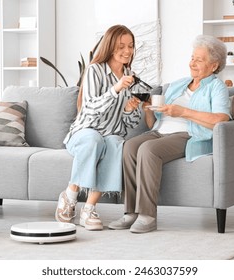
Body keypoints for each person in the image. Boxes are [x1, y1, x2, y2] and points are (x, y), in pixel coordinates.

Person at [109, 34, 231, 233]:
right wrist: (147, 108)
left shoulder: (217, 88)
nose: (192, 63)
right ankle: (130, 212)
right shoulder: (178, 84)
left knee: (148, 150)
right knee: (129, 146)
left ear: (214, 65)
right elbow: (154, 122)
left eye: (199, 60)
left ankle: (147, 216)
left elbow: (221, 119)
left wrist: (182, 112)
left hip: (189, 134)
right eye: (192, 58)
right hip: (160, 131)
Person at [55, 25, 142, 231]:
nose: (127, 51)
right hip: (85, 132)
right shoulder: (95, 70)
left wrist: (130, 110)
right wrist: (116, 88)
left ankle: (89, 209)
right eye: (121, 46)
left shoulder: (131, 75)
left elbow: (131, 123)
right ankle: (70, 195)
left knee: (115, 143)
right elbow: (92, 107)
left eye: (130, 46)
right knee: (94, 139)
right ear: (110, 46)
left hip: (111, 133)